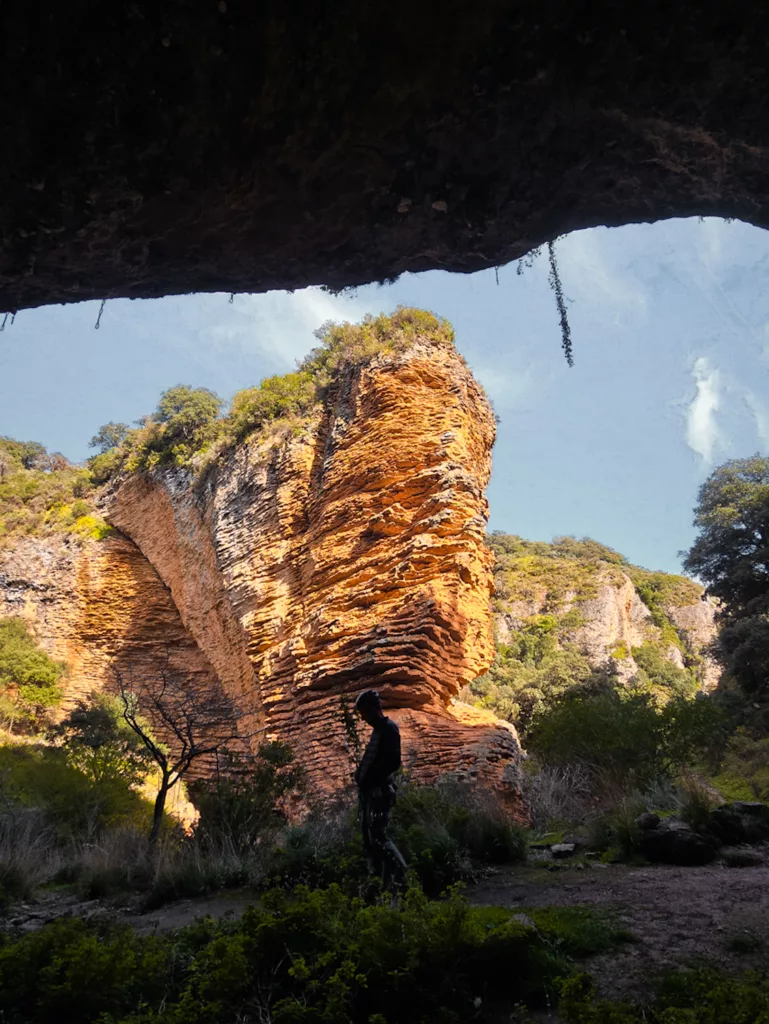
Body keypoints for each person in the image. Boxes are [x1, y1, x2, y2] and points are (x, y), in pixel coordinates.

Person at [353, 688, 407, 890]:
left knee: (379, 838)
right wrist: (360, 775)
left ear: (373, 709)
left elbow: (393, 762)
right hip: (372, 793)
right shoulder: (379, 730)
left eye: (364, 713)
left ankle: (401, 875)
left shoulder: (389, 729)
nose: (363, 718)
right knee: (372, 839)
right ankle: (385, 885)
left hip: (381, 793)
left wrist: (371, 779)